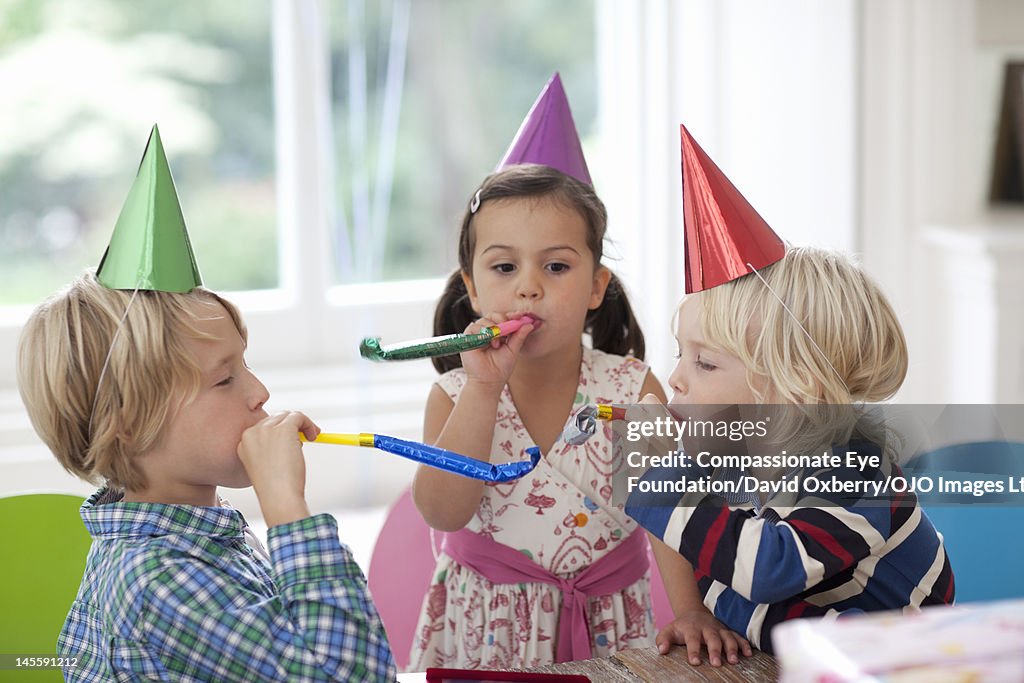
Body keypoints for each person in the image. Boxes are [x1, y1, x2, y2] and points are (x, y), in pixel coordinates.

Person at [15, 126, 396, 682]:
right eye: (224, 381)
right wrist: (288, 509)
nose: (260, 392)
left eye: (243, 363)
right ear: (129, 424)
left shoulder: (199, 530)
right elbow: (353, 678)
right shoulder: (158, 578)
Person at [408, 75, 666, 670]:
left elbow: (670, 515)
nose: (528, 285)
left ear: (597, 285)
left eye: (556, 265)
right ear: (471, 288)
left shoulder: (634, 390)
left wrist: (694, 610)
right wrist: (482, 386)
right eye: (504, 267)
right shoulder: (453, 395)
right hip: (489, 634)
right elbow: (443, 512)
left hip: (609, 631)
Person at [626, 251, 956, 659]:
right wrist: (697, 610)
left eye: (705, 363)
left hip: (902, 660)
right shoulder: (734, 450)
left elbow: (766, 570)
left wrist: (658, 476)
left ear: (795, 386)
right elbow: (714, 559)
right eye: (681, 355)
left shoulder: (857, 474)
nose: (675, 379)